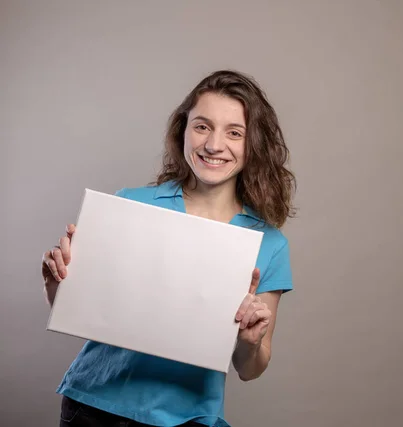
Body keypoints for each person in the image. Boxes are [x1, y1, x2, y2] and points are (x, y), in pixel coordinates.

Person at [41, 70, 296, 427]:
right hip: (94, 406)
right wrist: (58, 286)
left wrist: (249, 341)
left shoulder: (269, 243)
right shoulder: (132, 205)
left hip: (189, 418)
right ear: (183, 129)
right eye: (202, 126)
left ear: (253, 145)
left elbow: (250, 368)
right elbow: (91, 313)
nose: (213, 145)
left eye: (234, 133)